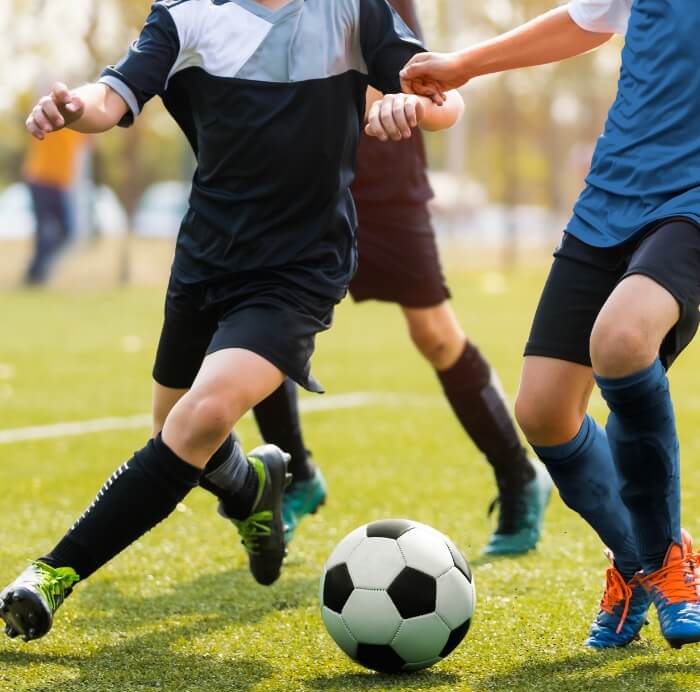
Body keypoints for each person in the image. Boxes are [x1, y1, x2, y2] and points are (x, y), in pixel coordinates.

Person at [0, 0, 463, 643]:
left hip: (301, 268)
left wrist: (413, 105)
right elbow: (113, 94)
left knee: (200, 418)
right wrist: (75, 109)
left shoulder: (353, 11)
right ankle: (252, 489)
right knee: (174, 431)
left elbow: (445, 98)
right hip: (206, 259)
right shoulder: (187, 15)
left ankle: (50, 574)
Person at [401, 0, 700, 649]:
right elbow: (587, 20)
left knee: (622, 340)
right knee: (542, 410)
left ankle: (668, 568)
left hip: (693, 200)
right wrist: (463, 64)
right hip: (612, 195)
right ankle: (643, 557)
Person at [252, 0, 553, 557]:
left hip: (386, 168)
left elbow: (412, 67)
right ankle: (296, 475)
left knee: (434, 334)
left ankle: (518, 474)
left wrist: (392, 96)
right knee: (265, 322)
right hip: (300, 173)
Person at [22, 126, 86, 285]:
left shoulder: (81, 122)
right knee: (46, 229)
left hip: (60, 182)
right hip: (41, 177)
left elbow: (86, 144)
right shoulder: (51, 116)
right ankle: (36, 274)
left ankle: (37, 271)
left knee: (66, 231)